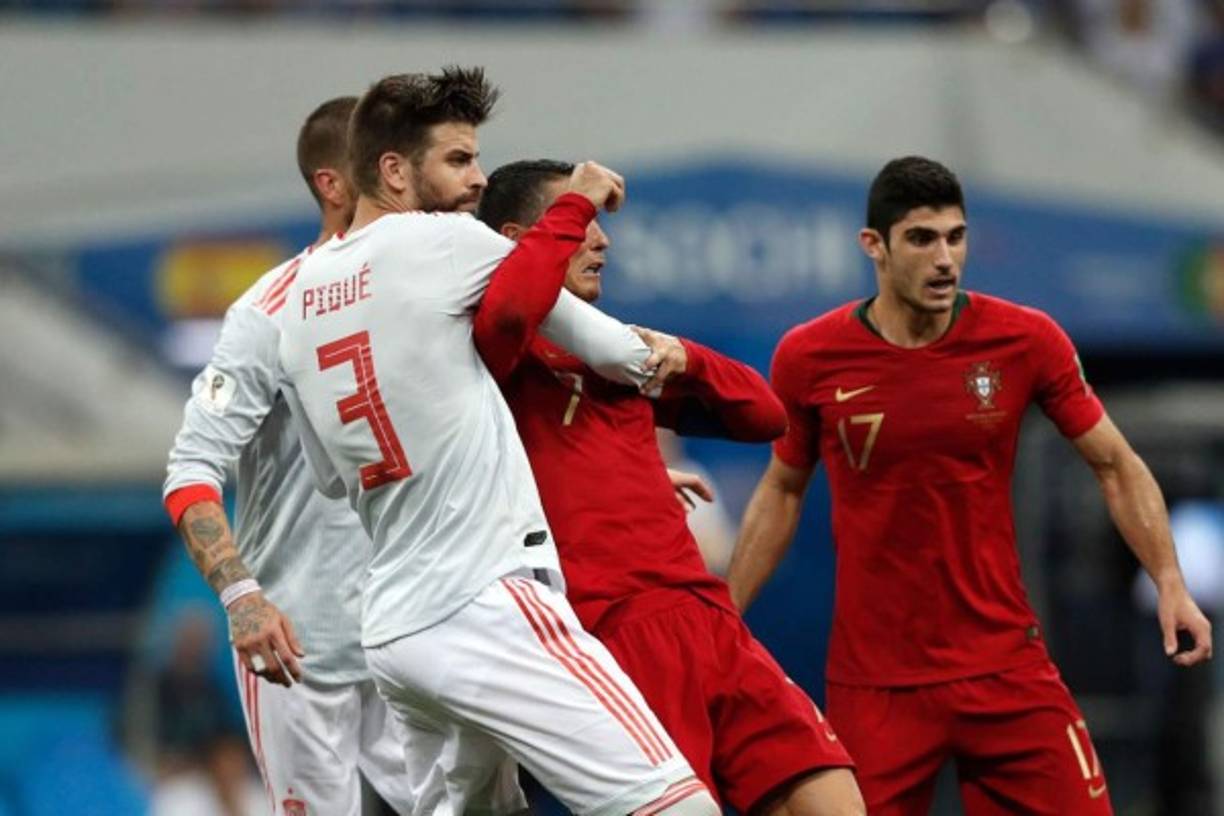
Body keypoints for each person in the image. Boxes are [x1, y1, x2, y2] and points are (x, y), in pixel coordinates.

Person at [276, 68, 719, 816]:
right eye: (458, 159)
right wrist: (578, 203)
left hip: (393, 632)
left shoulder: (296, 302)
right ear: (393, 170)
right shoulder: (448, 242)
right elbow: (617, 352)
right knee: (678, 805)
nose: (479, 180)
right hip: (488, 603)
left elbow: (327, 474)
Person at [726, 155, 1214, 815]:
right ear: (874, 245)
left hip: (1006, 669)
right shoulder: (809, 356)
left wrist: (1171, 581)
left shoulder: (1026, 340)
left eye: (955, 237)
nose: (944, 259)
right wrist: (724, 617)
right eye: (921, 239)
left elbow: (1116, 465)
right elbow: (783, 490)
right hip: (877, 686)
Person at [473, 159, 865, 816]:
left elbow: (764, 414)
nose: (602, 239)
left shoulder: (616, 353)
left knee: (833, 802)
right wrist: (574, 206)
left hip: (708, 616)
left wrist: (690, 359)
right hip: (616, 629)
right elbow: (510, 310)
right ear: (521, 238)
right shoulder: (496, 358)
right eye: (583, 221)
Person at [163, 96, 520, 816]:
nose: (408, 177)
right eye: (386, 165)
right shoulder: (269, 312)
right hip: (304, 646)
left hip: (419, 620)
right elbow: (190, 471)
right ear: (334, 183)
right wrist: (243, 597)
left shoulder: (434, 284)